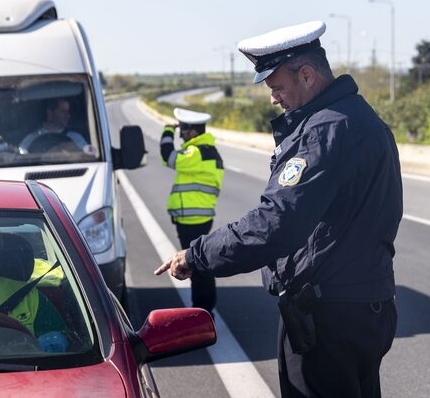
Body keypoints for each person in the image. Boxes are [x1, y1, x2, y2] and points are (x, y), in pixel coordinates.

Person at [155, 20, 403, 398]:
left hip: (327, 315)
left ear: (306, 75)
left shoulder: (324, 131)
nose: (273, 98)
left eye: (277, 87)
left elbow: (275, 223)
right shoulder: (360, 119)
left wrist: (198, 255)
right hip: (366, 304)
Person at [160, 108, 224, 314]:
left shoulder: (197, 153)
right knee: (197, 263)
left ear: (193, 133)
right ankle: (203, 309)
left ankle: (203, 311)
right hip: (196, 217)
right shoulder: (204, 151)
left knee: (197, 265)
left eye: (183, 131)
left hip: (194, 219)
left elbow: (167, 157)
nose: (181, 135)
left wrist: (167, 131)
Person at [18, 98, 90, 154]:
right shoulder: (31, 138)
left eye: (68, 112)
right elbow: (22, 157)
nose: (68, 115)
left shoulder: (76, 138)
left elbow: (87, 156)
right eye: (63, 112)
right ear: (50, 113)